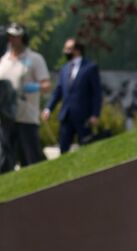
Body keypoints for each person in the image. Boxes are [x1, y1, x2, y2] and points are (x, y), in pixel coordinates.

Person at [0, 22, 50, 166]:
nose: (12, 39)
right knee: (5, 161)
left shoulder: (35, 59)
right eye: (10, 36)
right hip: (6, 118)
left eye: (15, 36)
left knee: (30, 159)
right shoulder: (3, 60)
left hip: (26, 117)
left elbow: (46, 85)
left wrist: (36, 87)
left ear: (23, 37)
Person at [42, 38, 102, 155]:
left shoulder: (90, 67)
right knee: (63, 149)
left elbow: (97, 93)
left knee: (86, 149)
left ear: (77, 50)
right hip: (66, 116)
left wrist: (95, 114)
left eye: (69, 49)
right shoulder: (64, 69)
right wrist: (48, 108)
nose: (65, 51)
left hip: (84, 117)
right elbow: (58, 92)